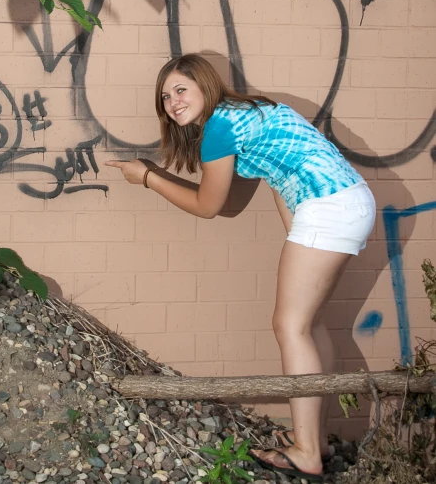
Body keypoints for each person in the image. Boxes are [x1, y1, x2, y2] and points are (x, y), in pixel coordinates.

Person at [105, 53, 376, 482]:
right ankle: (316, 440)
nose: (172, 102)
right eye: (165, 97)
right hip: (341, 202)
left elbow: (208, 207)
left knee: (290, 326)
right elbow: (235, 203)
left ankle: (306, 452)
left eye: (180, 90)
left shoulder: (220, 127)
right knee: (309, 324)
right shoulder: (241, 117)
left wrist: (148, 179)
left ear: (205, 85)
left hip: (328, 205)